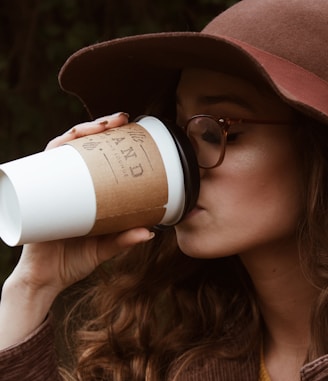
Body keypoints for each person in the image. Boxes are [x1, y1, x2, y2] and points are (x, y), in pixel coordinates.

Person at [1, 0, 328, 380]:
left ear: (316, 150)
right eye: (175, 129)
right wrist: (32, 287)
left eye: (217, 130)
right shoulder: (170, 357)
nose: (181, 161)